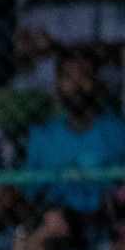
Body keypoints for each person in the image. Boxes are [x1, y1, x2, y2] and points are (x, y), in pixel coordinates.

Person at [24, 49, 125, 220]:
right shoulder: (41, 135)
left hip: (109, 219)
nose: (77, 84)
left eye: (84, 75)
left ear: (96, 81)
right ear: (57, 83)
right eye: (69, 77)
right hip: (60, 224)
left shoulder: (117, 131)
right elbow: (31, 193)